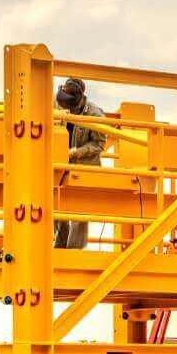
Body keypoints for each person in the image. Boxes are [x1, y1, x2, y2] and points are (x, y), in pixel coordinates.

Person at [54, 77, 105, 249]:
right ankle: (59, 249)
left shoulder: (94, 114)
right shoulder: (58, 105)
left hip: (84, 168)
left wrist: (77, 152)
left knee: (79, 213)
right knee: (57, 209)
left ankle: (73, 252)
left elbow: (98, 144)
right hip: (61, 167)